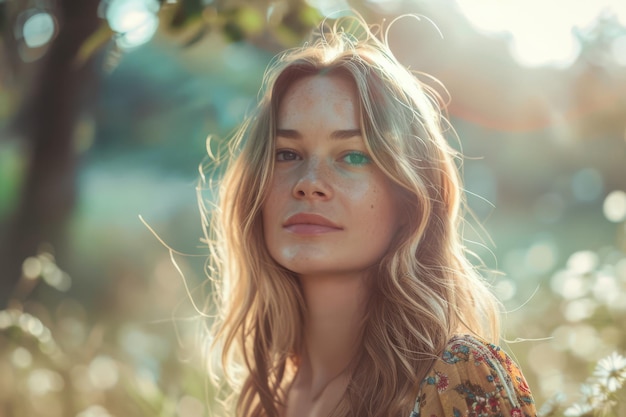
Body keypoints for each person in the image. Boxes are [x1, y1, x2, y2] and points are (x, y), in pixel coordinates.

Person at [201, 14, 537, 417]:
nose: (309, 183)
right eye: (287, 154)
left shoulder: (459, 374)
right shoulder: (269, 400)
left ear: (411, 195)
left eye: (353, 156)